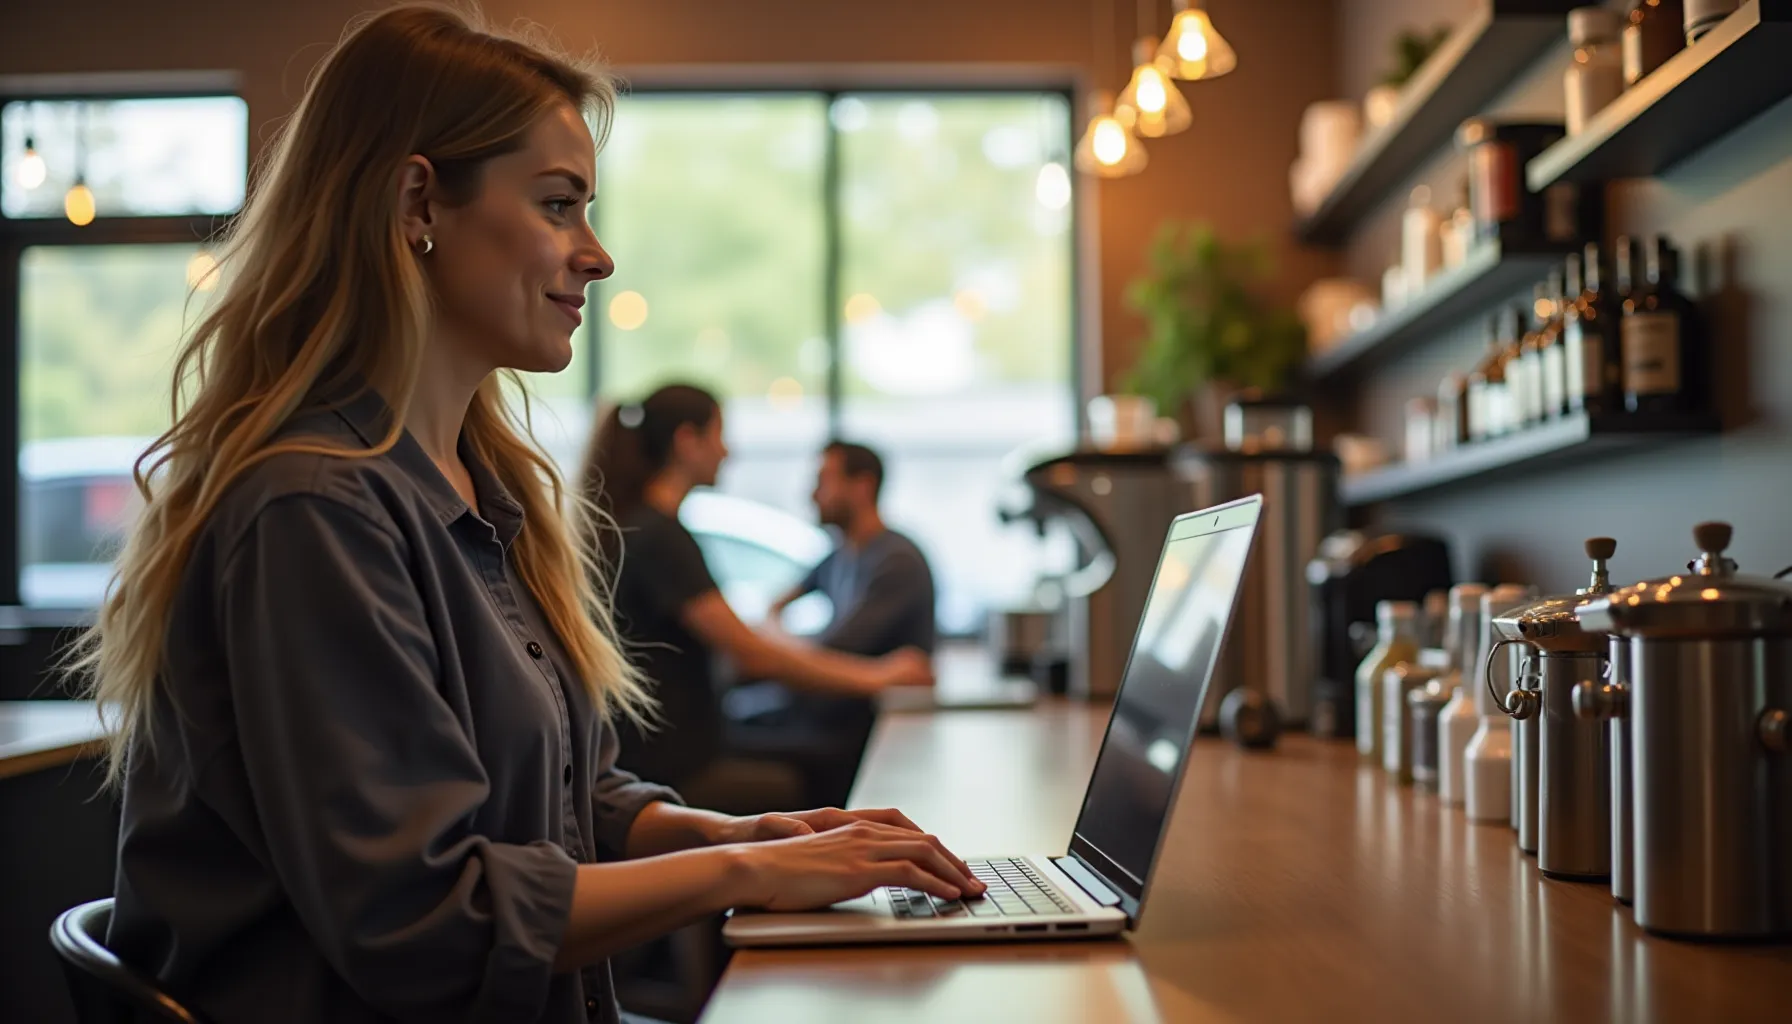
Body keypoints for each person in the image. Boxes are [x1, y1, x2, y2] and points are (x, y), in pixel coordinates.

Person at [75, 8, 979, 1024]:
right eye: (558, 205)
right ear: (419, 200)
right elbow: (427, 921)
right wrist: (744, 873)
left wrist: (748, 834)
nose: (595, 255)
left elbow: (567, 802)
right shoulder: (313, 508)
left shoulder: (473, 488)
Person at [580, 386, 932, 810]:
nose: (728, 452)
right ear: (687, 442)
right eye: (719, 435)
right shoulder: (660, 536)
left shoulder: (646, 526)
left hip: (676, 746)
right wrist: (880, 678)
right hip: (673, 763)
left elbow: (754, 639)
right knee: (833, 767)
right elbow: (753, 655)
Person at [770, 441, 937, 658]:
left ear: (862, 486)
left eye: (823, 481)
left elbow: (831, 654)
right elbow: (775, 606)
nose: (813, 495)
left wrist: (774, 643)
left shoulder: (897, 562)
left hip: (872, 692)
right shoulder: (838, 556)